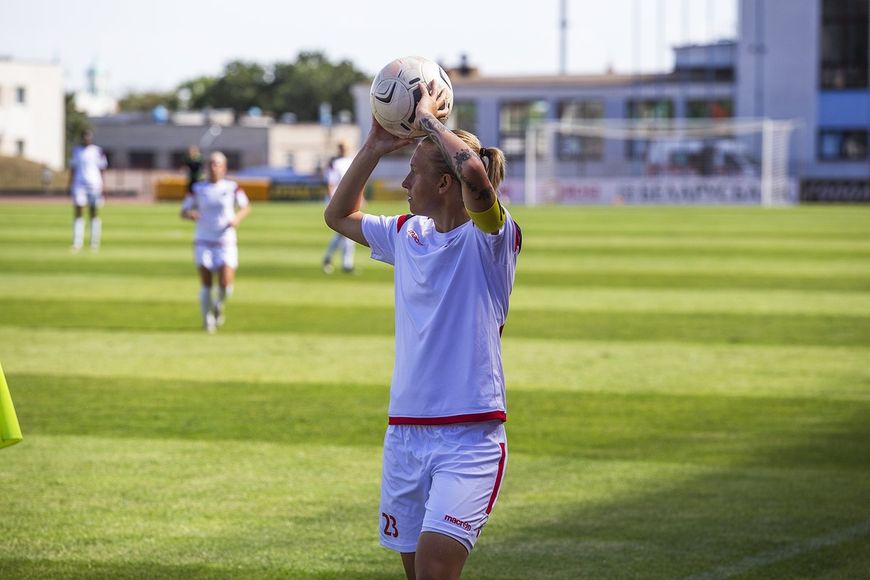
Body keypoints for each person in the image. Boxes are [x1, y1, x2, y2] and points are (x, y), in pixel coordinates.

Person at [324, 80, 522, 579]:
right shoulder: (406, 233)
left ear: (444, 185)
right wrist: (374, 146)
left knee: (435, 570)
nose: (405, 184)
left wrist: (429, 120)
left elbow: (474, 174)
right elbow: (338, 215)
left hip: (469, 436)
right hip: (405, 434)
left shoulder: (491, 238)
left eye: (414, 173)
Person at [180, 151, 251, 333]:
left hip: (225, 240)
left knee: (226, 285)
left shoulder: (232, 187)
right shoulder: (197, 188)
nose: (213, 167)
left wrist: (236, 219)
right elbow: (183, 211)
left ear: (224, 168)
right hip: (203, 240)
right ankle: (207, 320)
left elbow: (245, 207)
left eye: (217, 164)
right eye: (210, 164)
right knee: (206, 284)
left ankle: (218, 305)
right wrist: (190, 214)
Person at [68, 130, 108, 251]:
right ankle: (77, 242)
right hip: (79, 184)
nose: (87, 139)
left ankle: (94, 243)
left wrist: (103, 184)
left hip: (94, 185)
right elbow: (73, 168)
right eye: (85, 137)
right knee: (78, 212)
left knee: (93, 212)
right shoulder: (76, 150)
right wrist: (70, 184)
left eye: (89, 137)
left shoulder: (97, 151)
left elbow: (102, 168)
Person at [321, 142, 356, 273]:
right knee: (347, 231)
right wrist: (332, 201)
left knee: (345, 232)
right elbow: (330, 183)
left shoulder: (351, 161)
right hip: (338, 200)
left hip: (349, 199)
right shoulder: (335, 163)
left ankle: (330, 258)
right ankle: (346, 264)